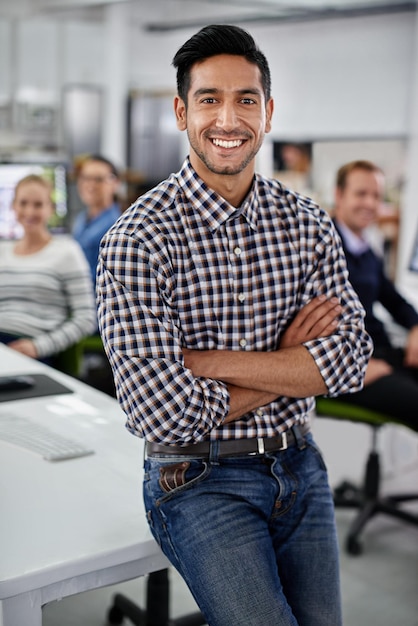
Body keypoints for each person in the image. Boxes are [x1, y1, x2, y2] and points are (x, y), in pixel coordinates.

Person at [97, 25, 372, 626]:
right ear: (181, 112)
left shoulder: (307, 224)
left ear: (268, 113)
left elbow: (350, 358)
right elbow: (160, 413)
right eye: (209, 99)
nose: (229, 117)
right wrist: (293, 363)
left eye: (246, 99)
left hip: (300, 463)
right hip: (198, 476)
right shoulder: (138, 241)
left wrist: (205, 361)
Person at [333, 159, 418, 431]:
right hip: (349, 368)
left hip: (380, 353)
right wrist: (355, 368)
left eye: (376, 196)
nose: (370, 204)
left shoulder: (366, 250)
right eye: (361, 194)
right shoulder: (321, 247)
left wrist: (416, 326)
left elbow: (393, 300)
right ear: (339, 195)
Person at [0, 174, 96, 361]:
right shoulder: (3, 251)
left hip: (31, 349)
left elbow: (86, 318)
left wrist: (39, 347)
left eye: (38, 204)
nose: (29, 211)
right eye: (23, 203)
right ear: (14, 206)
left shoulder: (67, 252)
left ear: (51, 209)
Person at [73, 154, 121, 288]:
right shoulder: (81, 219)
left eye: (98, 179)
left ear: (115, 183)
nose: (90, 185)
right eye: (85, 178)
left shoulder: (117, 227)